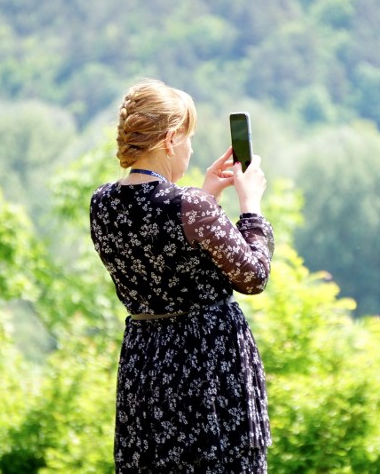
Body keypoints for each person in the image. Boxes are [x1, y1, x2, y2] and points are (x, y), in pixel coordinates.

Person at [89, 78, 274, 473]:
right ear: (171, 140)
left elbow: (163, 251)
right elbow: (253, 276)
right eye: (188, 137)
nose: (190, 147)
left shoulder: (102, 204)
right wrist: (251, 206)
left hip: (146, 367)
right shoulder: (190, 207)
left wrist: (206, 196)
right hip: (206, 365)